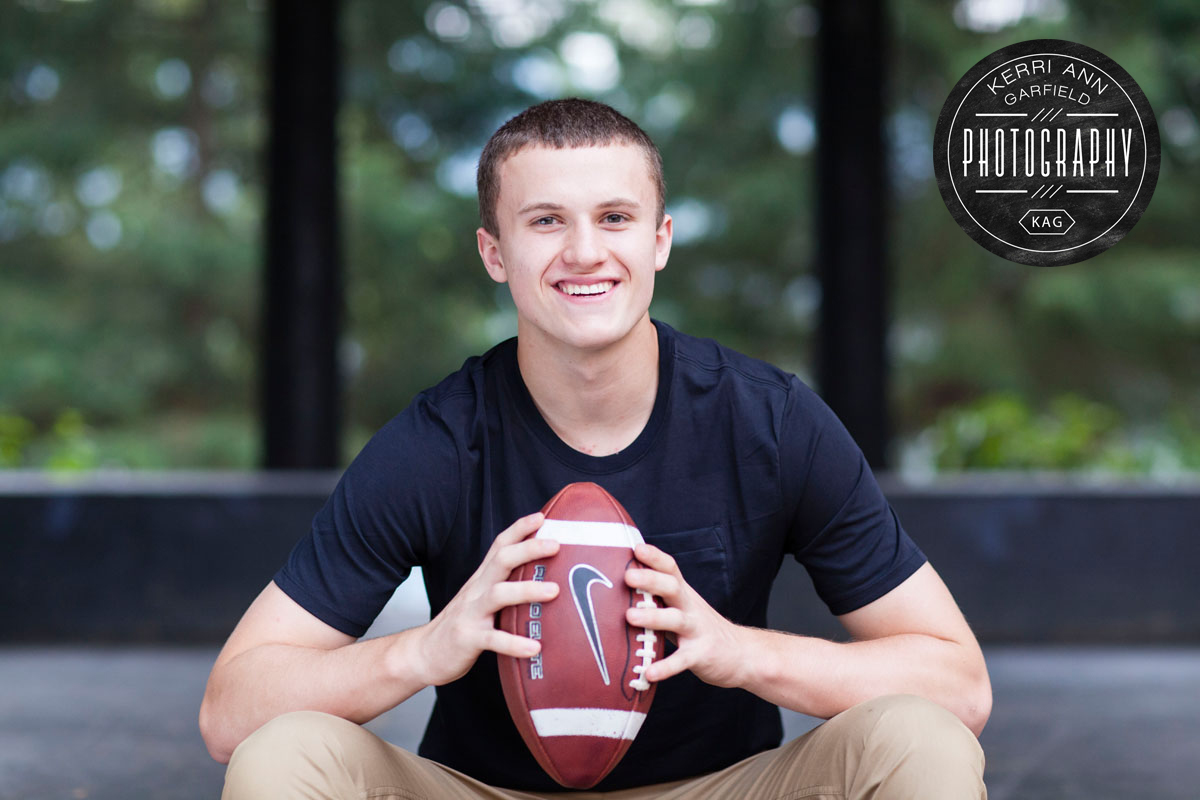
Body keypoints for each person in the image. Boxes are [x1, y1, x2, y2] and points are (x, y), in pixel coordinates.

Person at [200, 98, 990, 799]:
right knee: (284, 756)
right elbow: (230, 712)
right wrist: (424, 651)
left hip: (717, 790)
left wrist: (740, 653)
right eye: (546, 221)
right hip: (488, 791)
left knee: (921, 741)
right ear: (494, 253)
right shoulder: (437, 443)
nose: (584, 251)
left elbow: (959, 685)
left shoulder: (769, 421)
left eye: (614, 218)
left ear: (660, 240)